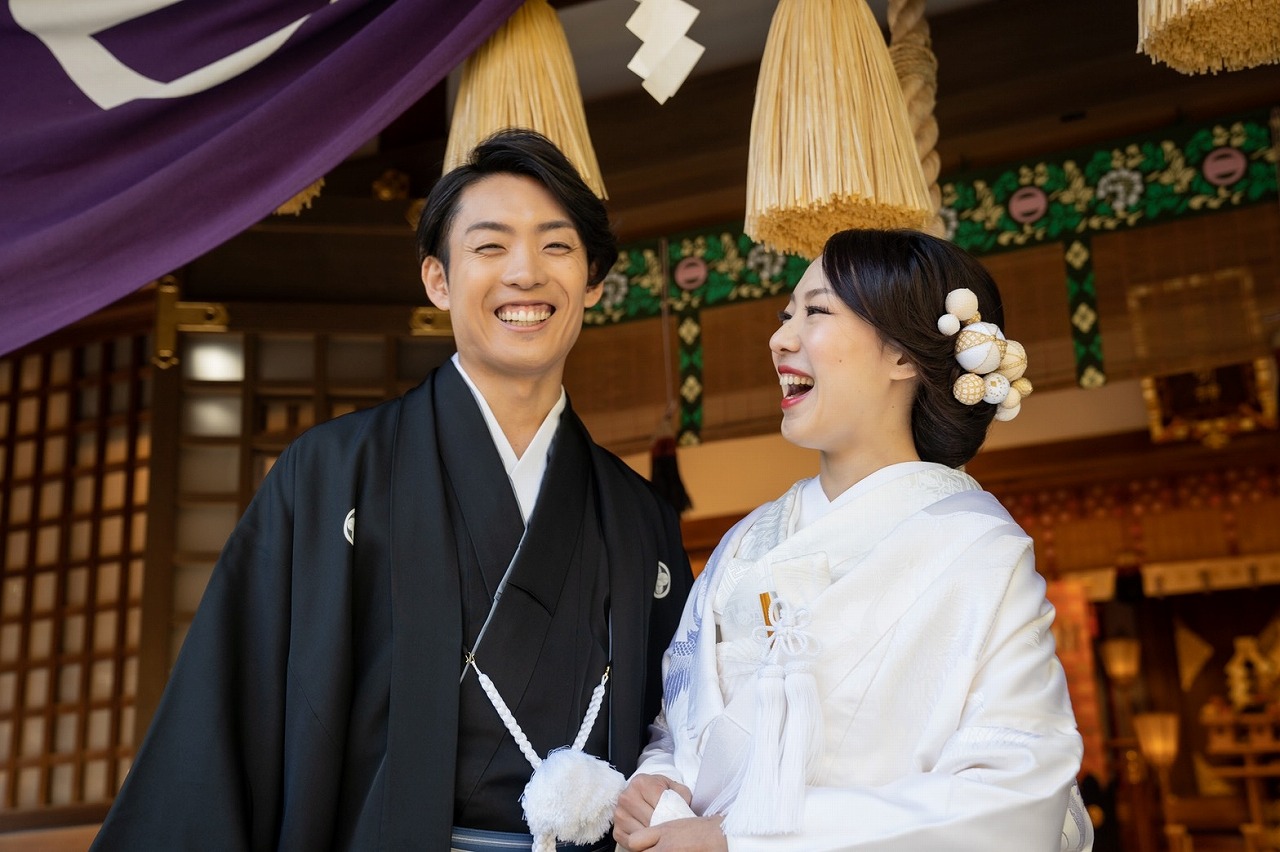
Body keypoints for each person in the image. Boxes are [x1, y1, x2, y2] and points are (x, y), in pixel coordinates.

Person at [92, 129, 693, 852]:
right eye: (491, 246)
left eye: (557, 246)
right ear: (438, 280)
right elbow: (225, 715)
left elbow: (685, 737)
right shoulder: (334, 475)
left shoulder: (636, 517)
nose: (525, 274)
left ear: (593, 280)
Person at [612, 228, 1093, 851]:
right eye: (787, 314)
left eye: (815, 312)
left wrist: (746, 842)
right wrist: (657, 784)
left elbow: (1014, 795)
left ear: (903, 357)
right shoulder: (744, 543)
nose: (780, 337)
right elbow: (680, 726)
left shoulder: (979, 553)